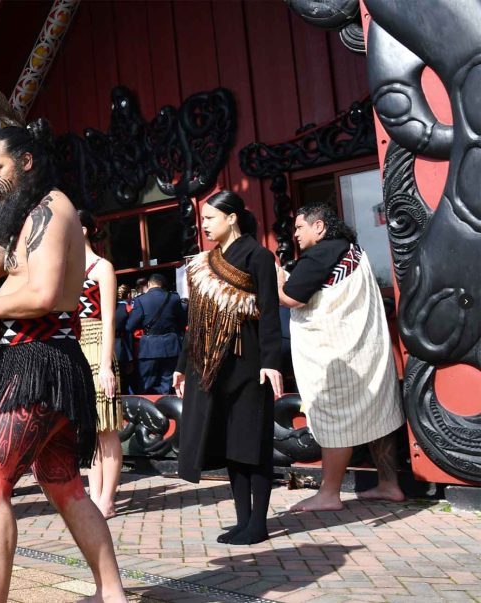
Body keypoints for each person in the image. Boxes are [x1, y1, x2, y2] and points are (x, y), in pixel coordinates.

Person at [0, 119, 126, 602]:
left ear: (26, 162)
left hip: (41, 363)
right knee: (64, 485)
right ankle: (113, 594)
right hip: (33, 361)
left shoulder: (52, 206)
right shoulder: (23, 215)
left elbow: (44, 293)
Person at [172, 190, 283, 546]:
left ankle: (259, 523)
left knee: (253, 443)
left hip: (249, 362)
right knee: (232, 444)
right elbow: (196, 320)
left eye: (209, 218)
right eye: (203, 218)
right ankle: (242, 520)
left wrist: (271, 362)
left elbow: (269, 313)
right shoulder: (206, 260)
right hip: (212, 364)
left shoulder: (259, 256)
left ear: (231, 217)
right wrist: (180, 365)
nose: (203, 224)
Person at [279, 203, 405, 511]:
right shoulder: (352, 250)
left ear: (319, 226)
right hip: (368, 350)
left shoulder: (321, 253)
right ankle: (390, 485)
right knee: (378, 413)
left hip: (338, 354)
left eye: (299, 227)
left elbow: (291, 298)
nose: (295, 234)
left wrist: (275, 278)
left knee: (336, 418)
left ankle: (329, 493)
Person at [76, 210, 122, 519]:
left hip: (97, 345)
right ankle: (94, 493)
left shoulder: (102, 267)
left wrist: (105, 364)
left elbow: (109, 320)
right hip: (74, 347)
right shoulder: (64, 268)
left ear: (82, 230)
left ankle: (107, 497)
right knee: (89, 428)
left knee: (107, 428)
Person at [127, 272, 187, 394]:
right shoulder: (174, 298)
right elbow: (182, 322)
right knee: (169, 385)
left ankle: (149, 412)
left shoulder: (140, 300)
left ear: (149, 284)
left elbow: (130, 325)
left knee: (146, 386)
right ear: (163, 285)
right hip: (171, 347)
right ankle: (167, 411)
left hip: (149, 348)